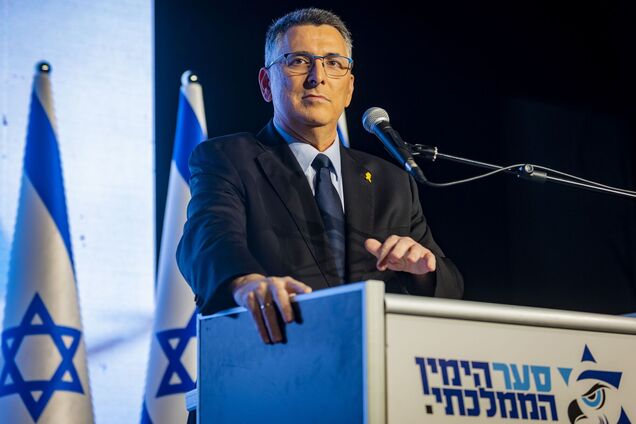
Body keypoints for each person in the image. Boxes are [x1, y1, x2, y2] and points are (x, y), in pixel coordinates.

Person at [176, 8, 463, 346]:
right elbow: (208, 239)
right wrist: (245, 282)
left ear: (349, 88)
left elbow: (449, 286)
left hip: (376, 358)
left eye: (334, 63)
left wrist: (424, 272)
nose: (318, 77)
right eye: (298, 61)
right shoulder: (229, 159)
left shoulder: (392, 182)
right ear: (266, 84)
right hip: (277, 355)